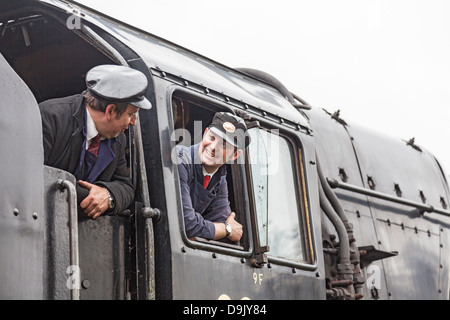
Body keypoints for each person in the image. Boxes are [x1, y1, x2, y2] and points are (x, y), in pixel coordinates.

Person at [39, 64, 152, 219]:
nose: (133, 122)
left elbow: (126, 187)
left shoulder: (119, 139)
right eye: (131, 114)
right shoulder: (51, 118)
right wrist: (89, 196)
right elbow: (35, 176)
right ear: (110, 111)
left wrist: (108, 194)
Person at [176, 112, 251, 242]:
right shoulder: (181, 159)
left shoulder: (220, 179)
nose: (213, 147)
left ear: (235, 155)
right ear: (205, 133)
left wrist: (222, 230)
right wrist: (226, 229)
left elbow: (226, 231)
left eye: (223, 145)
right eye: (211, 138)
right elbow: (186, 224)